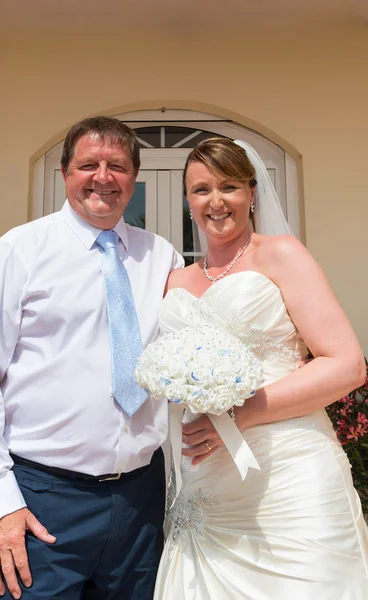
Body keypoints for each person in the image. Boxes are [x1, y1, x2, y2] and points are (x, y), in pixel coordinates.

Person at [0, 116, 188, 600]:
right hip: (43, 501)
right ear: (65, 174)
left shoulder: (161, 257)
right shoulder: (19, 250)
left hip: (140, 500)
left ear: (134, 177)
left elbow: (182, 359)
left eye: (117, 165)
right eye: (89, 165)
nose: (103, 176)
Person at [154, 137, 368, 599]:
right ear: (188, 200)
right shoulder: (175, 279)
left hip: (289, 474)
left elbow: (347, 365)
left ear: (252, 192)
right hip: (205, 479)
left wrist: (240, 414)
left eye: (229, 186)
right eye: (201, 189)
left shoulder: (282, 255)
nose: (216, 201)